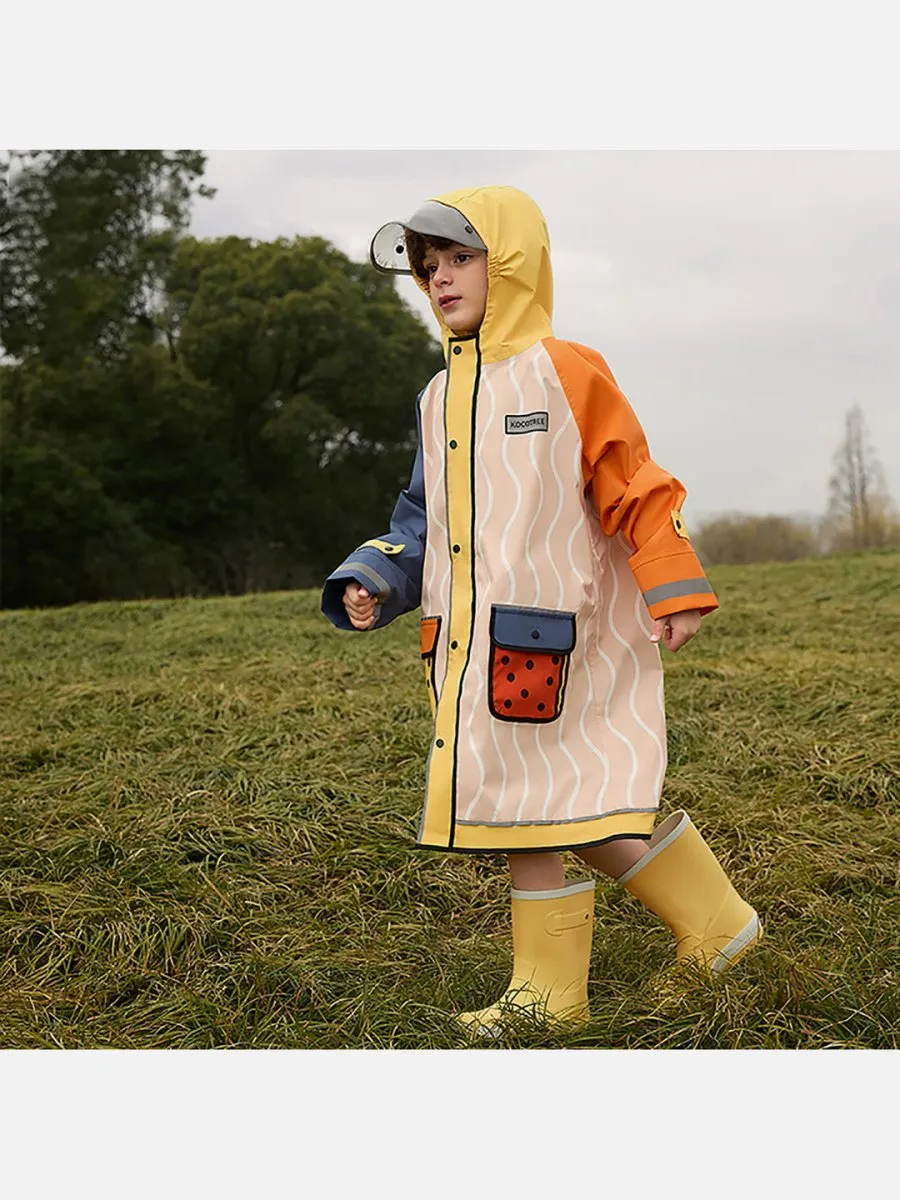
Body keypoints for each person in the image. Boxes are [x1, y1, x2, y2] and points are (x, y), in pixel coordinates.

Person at [321, 185, 761, 1035]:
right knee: (543, 805)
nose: (439, 279)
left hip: (558, 636)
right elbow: (422, 514)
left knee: (548, 801)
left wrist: (671, 582)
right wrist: (375, 575)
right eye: (427, 266)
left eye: (459, 258)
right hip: (470, 647)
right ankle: (673, 941)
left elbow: (633, 481)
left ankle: (610, 970)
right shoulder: (436, 397)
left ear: (510, 263)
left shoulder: (564, 371)